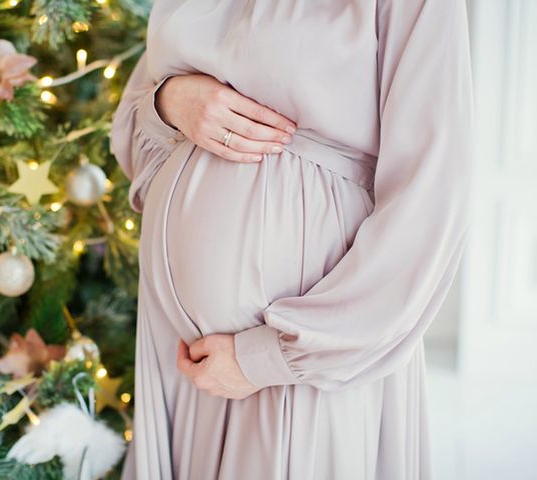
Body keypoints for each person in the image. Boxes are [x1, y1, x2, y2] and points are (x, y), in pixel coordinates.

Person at [109, 0, 473, 478]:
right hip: (179, 358)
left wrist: (270, 356)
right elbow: (134, 138)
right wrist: (170, 102)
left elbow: (431, 188)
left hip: (306, 355)